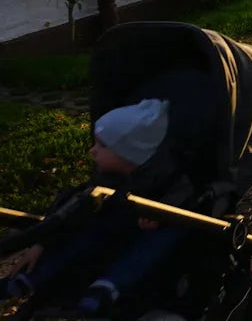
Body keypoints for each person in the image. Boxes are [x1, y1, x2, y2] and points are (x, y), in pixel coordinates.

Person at [2, 98, 189, 317]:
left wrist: (160, 214)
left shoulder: (167, 176)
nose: (92, 151)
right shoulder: (108, 178)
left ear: (130, 153)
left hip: (142, 239)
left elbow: (183, 196)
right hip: (109, 232)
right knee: (82, 230)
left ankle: (106, 288)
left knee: (159, 240)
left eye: (102, 145)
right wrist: (41, 242)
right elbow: (67, 206)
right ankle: (29, 278)